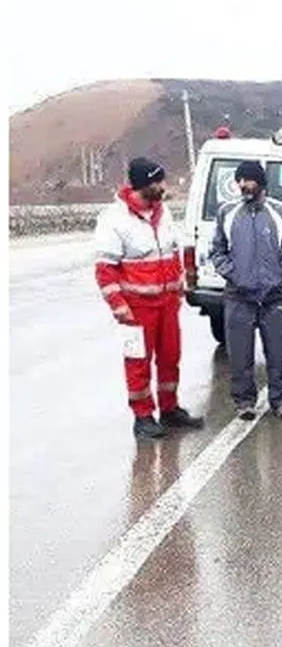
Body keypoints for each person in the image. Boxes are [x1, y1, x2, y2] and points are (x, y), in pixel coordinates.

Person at [93, 157, 205, 440]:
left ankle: (169, 408)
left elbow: (173, 251)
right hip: (136, 309)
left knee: (170, 358)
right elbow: (105, 270)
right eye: (158, 182)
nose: (163, 187)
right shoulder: (114, 220)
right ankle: (142, 416)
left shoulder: (162, 213)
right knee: (138, 362)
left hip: (167, 304)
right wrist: (119, 307)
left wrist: (179, 286)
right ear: (143, 185)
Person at [209, 160, 282, 421]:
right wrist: (233, 274)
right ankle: (244, 402)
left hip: (273, 297)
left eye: (247, 180)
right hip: (238, 296)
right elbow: (217, 250)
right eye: (239, 180)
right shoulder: (227, 212)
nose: (242, 185)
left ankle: (280, 401)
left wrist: (280, 273)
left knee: (277, 354)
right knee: (240, 354)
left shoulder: (279, 211)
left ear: (260, 182)